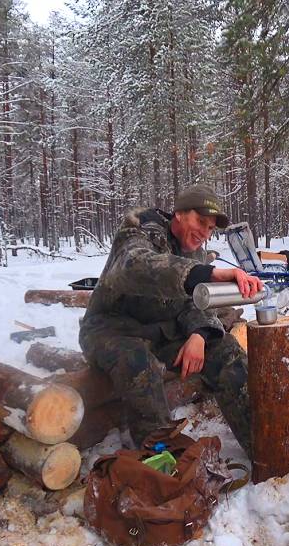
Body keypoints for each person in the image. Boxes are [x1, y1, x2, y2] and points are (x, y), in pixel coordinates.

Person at [79, 185, 263, 457]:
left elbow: (192, 303)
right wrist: (207, 274)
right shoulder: (140, 228)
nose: (204, 233)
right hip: (110, 330)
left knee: (226, 351)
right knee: (138, 362)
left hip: (160, 331)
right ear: (179, 213)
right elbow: (134, 267)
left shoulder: (195, 252)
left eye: (210, 228)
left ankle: (264, 441)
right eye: (200, 221)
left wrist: (200, 334)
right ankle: (163, 459)